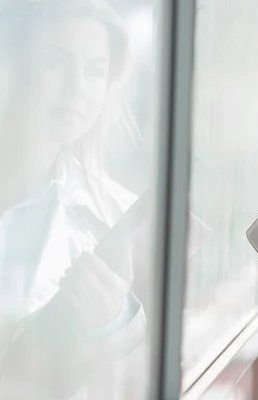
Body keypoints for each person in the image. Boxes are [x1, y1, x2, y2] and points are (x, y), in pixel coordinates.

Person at [0, 0, 146, 398]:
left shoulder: (120, 215)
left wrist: (112, 325)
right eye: (56, 62)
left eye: (95, 71)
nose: (77, 89)